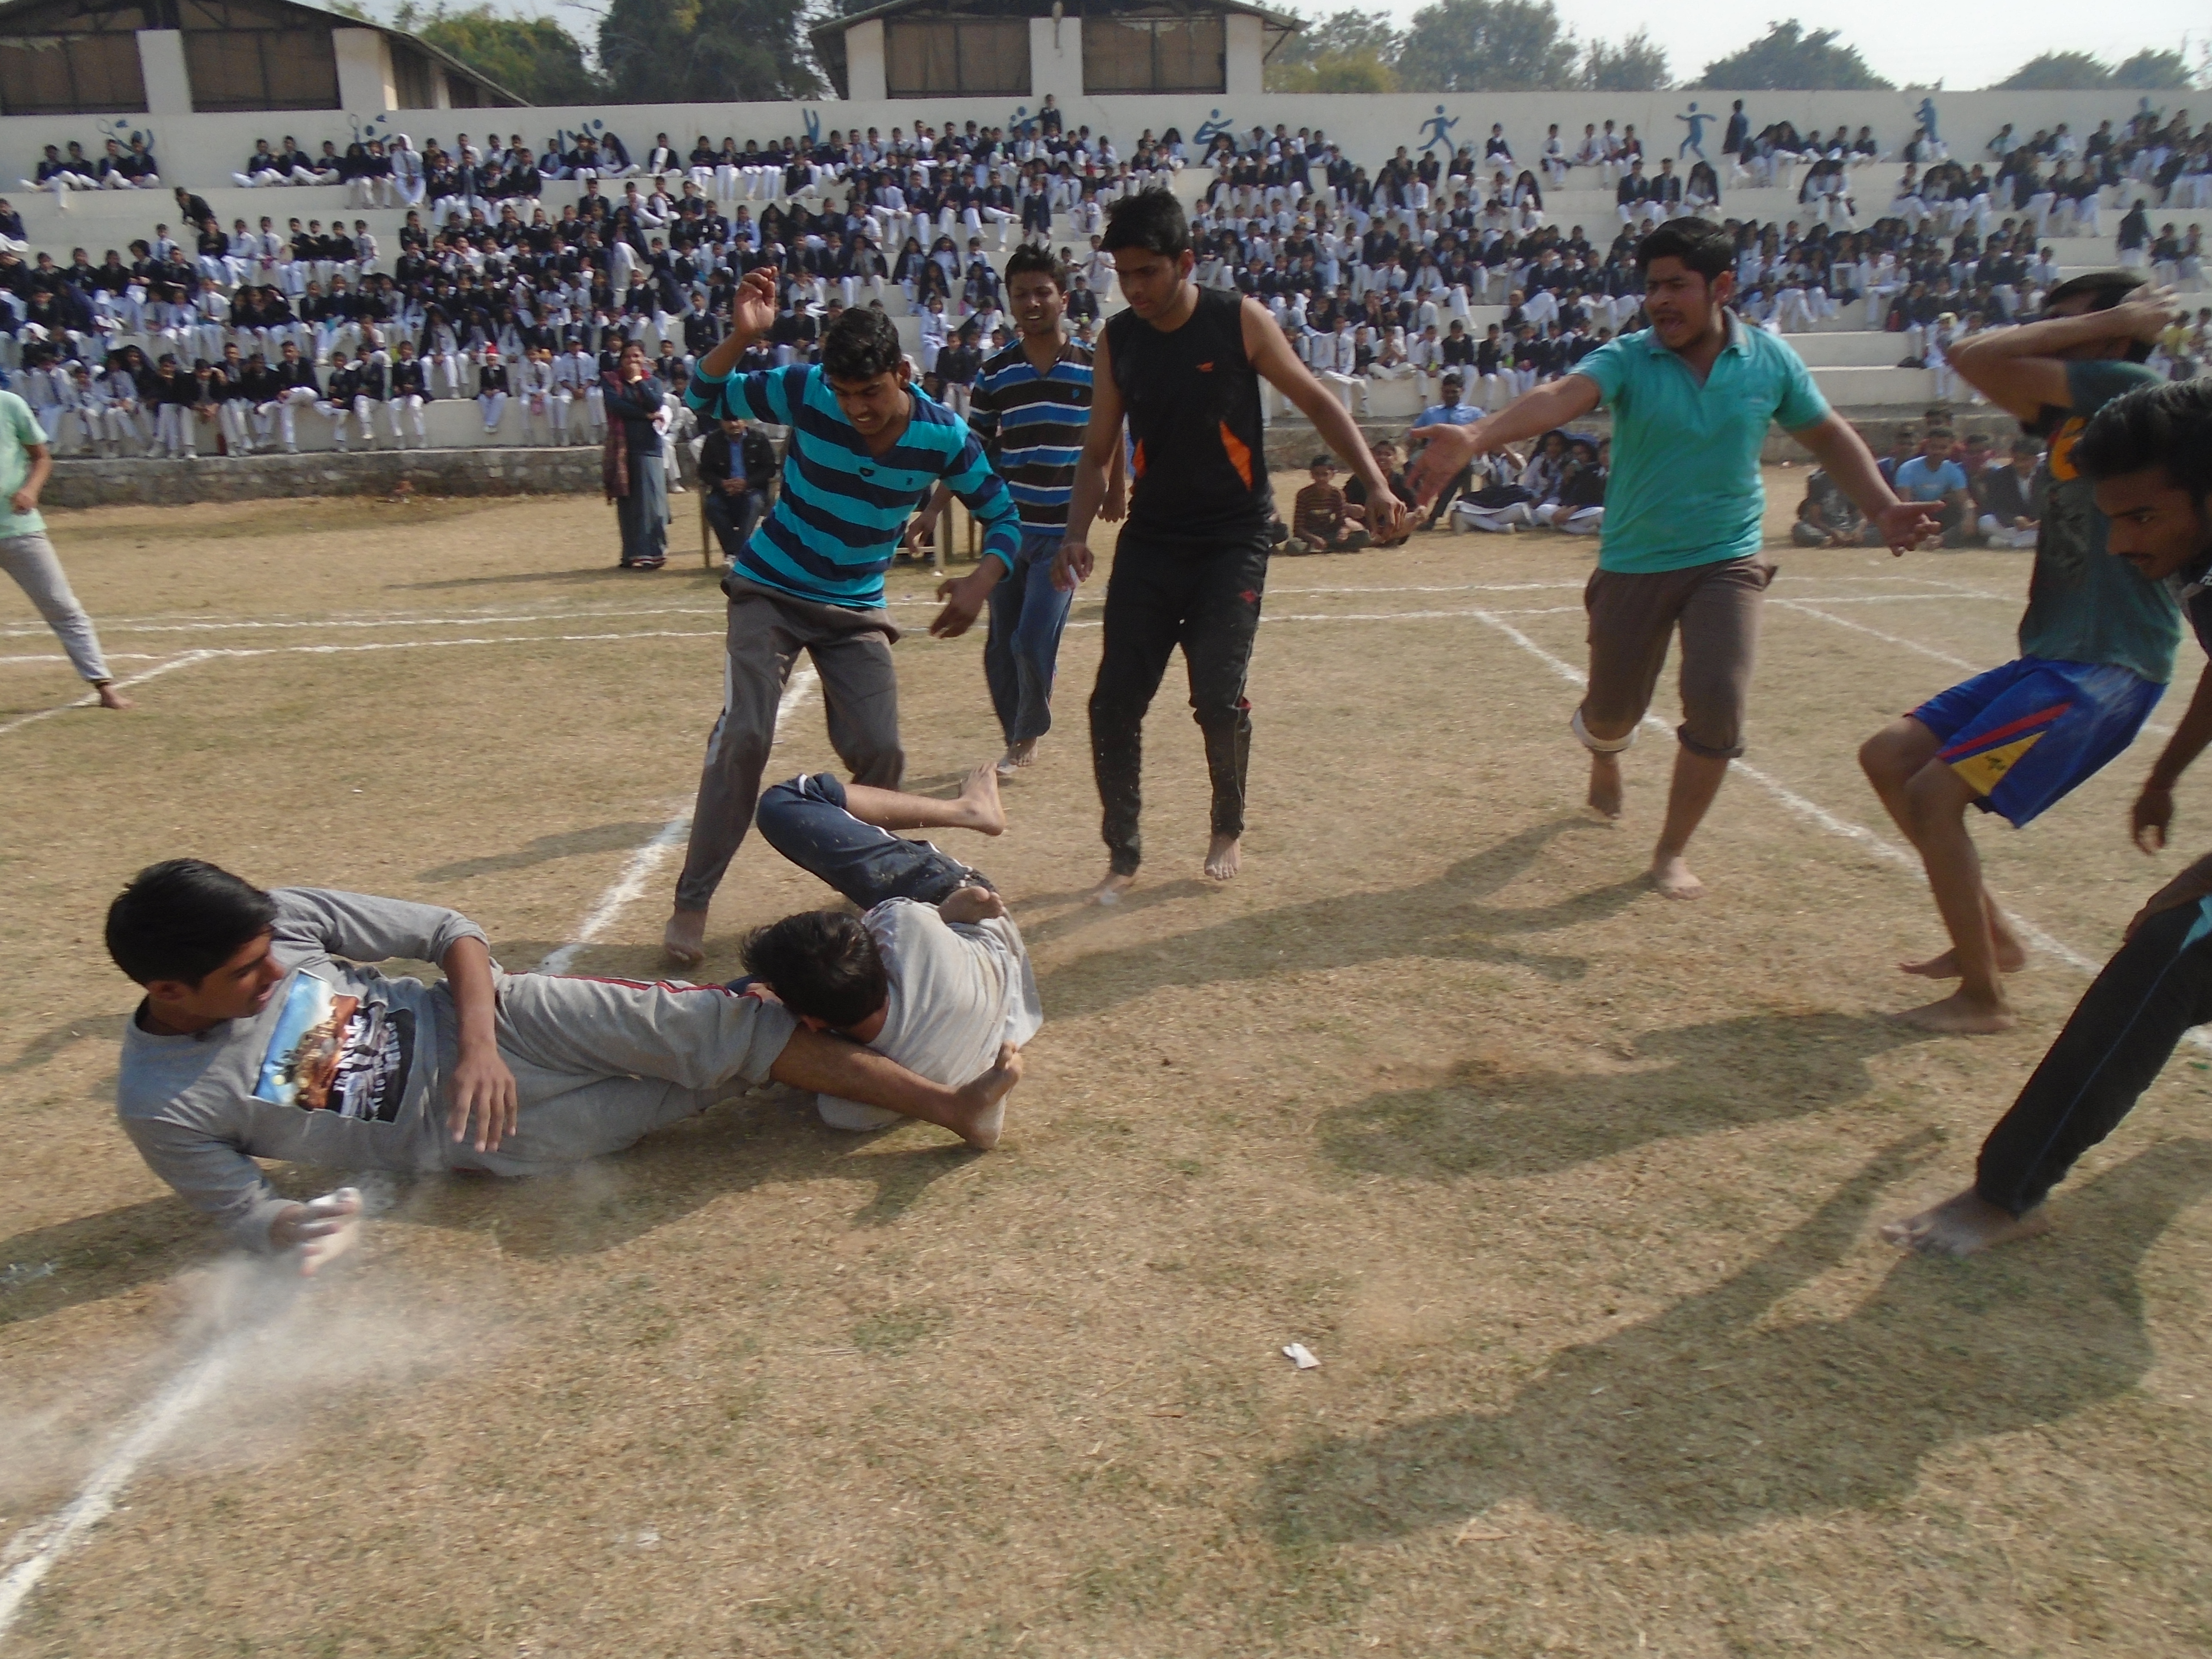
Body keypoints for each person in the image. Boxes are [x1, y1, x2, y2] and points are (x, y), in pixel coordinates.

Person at [106, 861, 1024, 1267]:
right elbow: (242, 1210)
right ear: (172, 991)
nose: (276, 972)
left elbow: (448, 932)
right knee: (695, 1082)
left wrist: (474, 1046)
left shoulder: (278, 920)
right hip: (486, 1136)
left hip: (516, 1018)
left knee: (724, 1033)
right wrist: (292, 1231)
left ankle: (955, 1107)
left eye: (272, 953)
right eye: (246, 974)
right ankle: (890, 1056)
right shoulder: (161, 1103)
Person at [1407, 218, 1933, 900]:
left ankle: (1670, 852)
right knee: (1610, 711)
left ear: (1721, 287)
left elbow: (1826, 433)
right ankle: (1604, 750)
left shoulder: (1771, 361)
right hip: (1634, 561)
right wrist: (1477, 434)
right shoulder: (1628, 358)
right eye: (1651, 287)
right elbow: (1562, 396)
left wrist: (1882, 505)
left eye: (1675, 286)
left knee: (1718, 703)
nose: (1659, 301)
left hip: (1727, 558)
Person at [1884, 379, 2212, 1254]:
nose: (2119, 542)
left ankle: (2002, 1194)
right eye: (2112, 518)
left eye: (2141, 517)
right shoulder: (2193, 556)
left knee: (2168, 947)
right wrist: (2167, 775)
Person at [1053, 191, 1407, 901]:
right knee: (1111, 702)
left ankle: (1227, 823)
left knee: (1215, 697)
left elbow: (1315, 400)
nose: (1134, 289)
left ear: (1185, 262)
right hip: (1153, 539)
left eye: (1148, 271)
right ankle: (1122, 852)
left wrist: (1373, 483)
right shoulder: (1118, 340)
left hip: (1232, 539)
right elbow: (1096, 450)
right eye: (1122, 274)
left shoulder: (1238, 320)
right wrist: (1073, 532)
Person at [1858, 276, 2181, 1033]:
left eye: (2062, 325)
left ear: (2104, 336)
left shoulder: (2124, 383)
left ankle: (1983, 1000)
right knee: (1887, 756)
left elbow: (1969, 353)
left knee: (1933, 795)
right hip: (2057, 654)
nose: (2045, 333)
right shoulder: (2078, 405)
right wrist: (2098, 325)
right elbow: (1982, 362)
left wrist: (2119, 321)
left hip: (2105, 664)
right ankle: (1994, 938)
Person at [664, 286, 1020, 966]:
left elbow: (1003, 516)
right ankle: (692, 901)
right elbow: (708, 398)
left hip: (855, 606)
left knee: (880, 753)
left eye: (872, 393)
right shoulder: (806, 392)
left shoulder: (942, 435)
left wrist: (980, 583)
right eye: (845, 392)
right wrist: (741, 337)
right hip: (768, 586)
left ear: (904, 377)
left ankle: (872, 887)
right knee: (744, 733)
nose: (857, 408)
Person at [920, 246, 1123, 777]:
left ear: (1063, 298)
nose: (1032, 303)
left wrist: (1118, 489)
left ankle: (1027, 736)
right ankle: (1016, 733)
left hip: (1064, 533)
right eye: (1021, 294)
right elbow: (972, 449)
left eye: (1042, 292)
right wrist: (933, 510)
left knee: (1032, 639)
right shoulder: (995, 373)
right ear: (1009, 302)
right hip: (1008, 532)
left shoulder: (1092, 365)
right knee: (997, 647)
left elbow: (1112, 431)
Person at [747, 765, 1039, 1132]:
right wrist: (945, 915)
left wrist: (766, 1004)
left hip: (972, 972)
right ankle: (963, 834)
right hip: (965, 931)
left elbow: (822, 1075)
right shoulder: (905, 926)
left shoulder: (850, 1107)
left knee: (742, 1003)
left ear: (814, 1024)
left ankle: (968, 811)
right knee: (782, 806)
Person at [0, 386, 128, 712]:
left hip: (20, 529)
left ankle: (104, 686)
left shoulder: (10, 404)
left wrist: (30, 490)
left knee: (62, 606)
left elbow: (41, 457)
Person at [602, 341, 670, 571]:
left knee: (654, 505)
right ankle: (633, 554)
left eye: (637, 356)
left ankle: (654, 552)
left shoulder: (653, 383)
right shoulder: (612, 382)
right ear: (621, 360)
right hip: (623, 449)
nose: (633, 361)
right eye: (628, 357)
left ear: (644, 359)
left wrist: (638, 383)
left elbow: (655, 403)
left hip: (649, 448)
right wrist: (646, 415)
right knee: (629, 505)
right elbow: (616, 406)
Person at [698, 414, 776, 563]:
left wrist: (747, 483)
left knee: (754, 503)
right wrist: (722, 483)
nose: (733, 424)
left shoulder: (759, 438)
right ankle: (737, 553)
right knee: (712, 505)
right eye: (728, 420)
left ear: (745, 421)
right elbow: (704, 471)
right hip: (724, 491)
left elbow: (770, 469)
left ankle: (735, 554)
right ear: (721, 422)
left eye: (737, 420)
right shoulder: (713, 440)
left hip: (753, 490)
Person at [1890, 425, 1973, 547]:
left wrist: (1969, 516)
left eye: (1943, 448)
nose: (1937, 452)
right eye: (1933, 447)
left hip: (1937, 515)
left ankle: (1939, 540)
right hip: (1914, 514)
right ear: (1926, 446)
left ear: (1951, 449)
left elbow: (1966, 501)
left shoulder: (1954, 470)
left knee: (1967, 514)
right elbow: (1904, 505)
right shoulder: (1908, 469)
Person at [1286, 456, 1370, 553]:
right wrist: (1314, 539)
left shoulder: (1337, 495)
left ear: (1333, 475)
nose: (1321, 479)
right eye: (1317, 474)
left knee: (1364, 537)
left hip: (1329, 534)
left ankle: (1327, 546)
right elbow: (1298, 528)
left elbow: (1341, 521)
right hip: (1309, 536)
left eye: (1325, 475)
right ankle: (1327, 547)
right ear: (1312, 475)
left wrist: (1344, 532)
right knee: (1293, 546)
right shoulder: (1304, 495)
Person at [1977, 437, 2046, 549]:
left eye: (2025, 460)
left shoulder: (2048, 476)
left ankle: (2008, 543)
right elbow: (1994, 507)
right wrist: (2014, 519)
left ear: (2036, 460)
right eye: (2017, 460)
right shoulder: (2000, 476)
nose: (2020, 465)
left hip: (2039, 526)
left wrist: (2042, 521)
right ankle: (2022, 542)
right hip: (2013, 526)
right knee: (1985, 522)